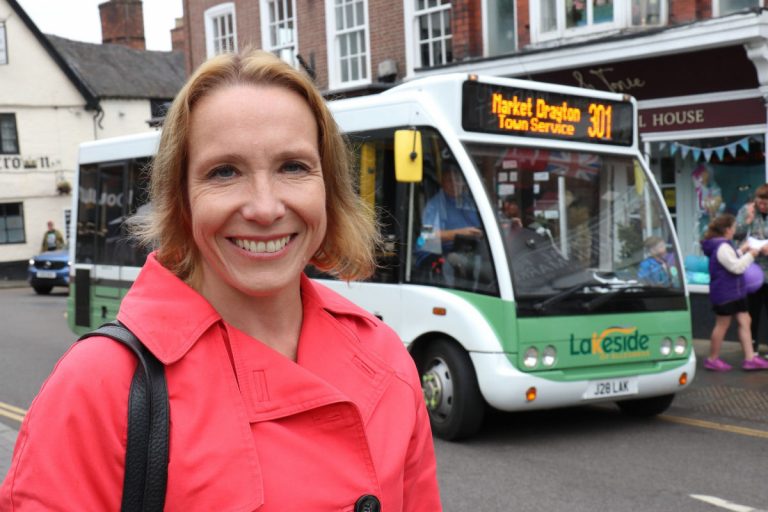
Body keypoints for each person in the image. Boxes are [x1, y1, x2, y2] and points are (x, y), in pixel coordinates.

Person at [1, 49, 442, 510]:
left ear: (328, 188)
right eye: (224, 172)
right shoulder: (98, 386)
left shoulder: (386, 356)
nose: (265, 207)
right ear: (182, 200)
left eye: (293, 167)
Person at [700, 214, 768, 372]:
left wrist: (742, 250)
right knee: (722, 325)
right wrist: (751, 255)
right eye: (734, 228)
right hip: (725, 293)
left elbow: (729, 259)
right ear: (727, 229)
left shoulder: (723, 245)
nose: (735, 230)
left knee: (745, 320)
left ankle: (750, 358)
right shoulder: (721, 246)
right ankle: (712, 359)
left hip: (735, 291)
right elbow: (736, 267)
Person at [419, 162, 483, 283]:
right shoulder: (434, 205)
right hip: (445, 253)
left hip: (475, 250)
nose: (454, 184)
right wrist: (460, 233)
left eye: (458, 179)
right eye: (449, 180)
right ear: (442, 182)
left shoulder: (470, 202)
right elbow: (426, 237)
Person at [735, 183, 768, 355]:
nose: (762, 206)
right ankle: (752, 348)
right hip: (752, 273)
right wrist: (745, 221)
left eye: (766, 203)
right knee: (752, 312)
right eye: (760, 203)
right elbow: (734, 234)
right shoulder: (747, 210)